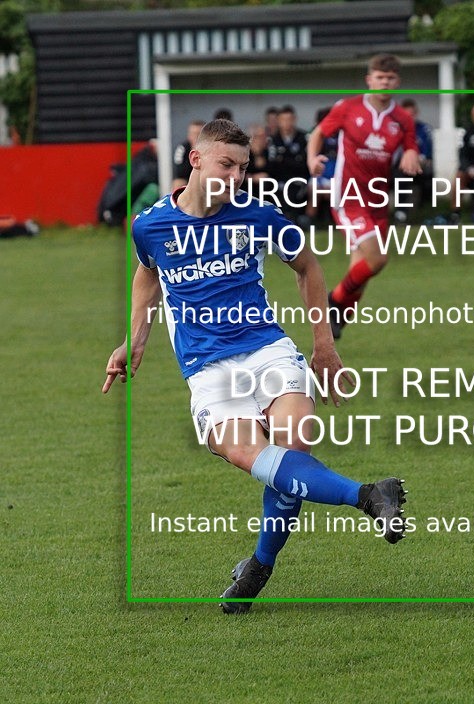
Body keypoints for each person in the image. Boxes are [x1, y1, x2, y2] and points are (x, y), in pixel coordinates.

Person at [102, 119, 407, 614]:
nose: (236, 177)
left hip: (267, 350)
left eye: (243, 168)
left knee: (293, 440)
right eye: (226, 164)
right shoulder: (150, 225)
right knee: (260, 460)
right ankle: (360, 499)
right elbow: (146, 273)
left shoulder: (258, 215)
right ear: (196, 160)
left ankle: (268, 559)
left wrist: (324, 346)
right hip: (207, 370)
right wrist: (134, 340)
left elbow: (308, 266)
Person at [306, 53, 421, 339]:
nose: (384, 83)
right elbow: (318, 133)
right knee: (378, 258)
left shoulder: (403, 118)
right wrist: (312, 159)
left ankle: (335, 325)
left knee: (363, 269)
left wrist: (410, 153)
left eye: (390, 78)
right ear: (369, 80)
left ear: (397, 82)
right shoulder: (348, 107)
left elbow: (411, 146)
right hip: (348, 196)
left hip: (378, 201)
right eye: (379, 78)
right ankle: (333, 302)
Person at [267, 104, 313, 226]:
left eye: (289, 119)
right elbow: (272, 166)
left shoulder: (304, 138)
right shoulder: (273, 139)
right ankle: (283, 220)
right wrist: (293, 160)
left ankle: (300, 220)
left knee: (296, 187)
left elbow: (304, 165)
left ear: (294, 119)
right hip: (279, 179)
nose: (286, 123)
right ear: (279, 121)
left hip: (299, 179)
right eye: (283, 120)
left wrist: (282, 158)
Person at [392, 98, 434, 220]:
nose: (410, 117)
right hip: (399, 168)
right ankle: (401, 212)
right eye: (407, 114)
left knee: (428, 180)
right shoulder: (395, 130)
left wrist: (418, 160)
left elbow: (428, 153)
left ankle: (424, 212)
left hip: (420, 167)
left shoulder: (424, 129)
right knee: (401, 176)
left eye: (412, 114)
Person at [171, 119, 205, 191]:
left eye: (199, 134)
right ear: (189, 135)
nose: (196, 137)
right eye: (193, 134)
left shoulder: (212, 149)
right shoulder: (182, 149)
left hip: (206, 178)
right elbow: (179, 173)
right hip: (188, 179)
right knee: (178, 182)